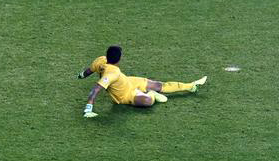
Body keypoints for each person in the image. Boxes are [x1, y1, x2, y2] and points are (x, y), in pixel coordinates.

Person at [77, 45, 208, 118]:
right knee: (148, 101)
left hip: (128, 81)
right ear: (119, 59)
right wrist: (88, 110)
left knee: (159, 85)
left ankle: (191, 86)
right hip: (125, 96)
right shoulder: (112, 72)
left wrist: (80, 75)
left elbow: (89, 71)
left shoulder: (100, 60)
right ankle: (151, 94)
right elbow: (95, 89)